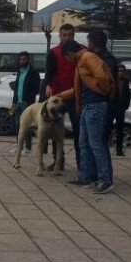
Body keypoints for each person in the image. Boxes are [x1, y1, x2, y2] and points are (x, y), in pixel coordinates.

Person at [58, 38, 116, 193]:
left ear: (70, 53)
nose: (68, 61)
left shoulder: (87, 58)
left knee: (96, 143)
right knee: (84, 142)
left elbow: (102, 77)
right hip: (87, 106)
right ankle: (86, 175)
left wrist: (102, 92)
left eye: (67, 58)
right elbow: (78, 89)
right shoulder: (80, 62)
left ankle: (105, 180)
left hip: (95, 105)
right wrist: (60, 96)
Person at [43, 24, 83, 166]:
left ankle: (81, 163)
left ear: (74, 35)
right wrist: (48, 86)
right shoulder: (54, 52)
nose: (67, 37)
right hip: (58, 96)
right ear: (59, 36)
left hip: (76, 96)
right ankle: (58, 160)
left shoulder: (81, 50)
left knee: (78, 130)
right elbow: (48, 73)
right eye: (64, 35)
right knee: (55, 130)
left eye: (70, 35)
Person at [11, 50, 40, 152]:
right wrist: (14, 102)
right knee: (18, 125)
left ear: (28, 60)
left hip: (27, 104)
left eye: (24, 59)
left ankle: (28, 147)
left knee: (27, 126)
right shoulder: (19, 71)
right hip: (17, 103)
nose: (22, 61)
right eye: (20, 60)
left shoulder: (33, 72)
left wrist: (28, 100)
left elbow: (36, 88)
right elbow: (17, 87)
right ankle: (19, 147)